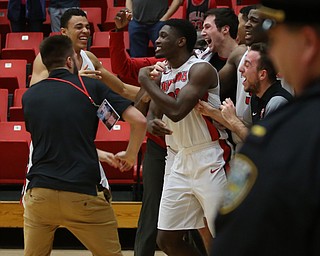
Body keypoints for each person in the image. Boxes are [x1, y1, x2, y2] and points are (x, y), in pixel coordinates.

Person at [211, 1, 320, 255]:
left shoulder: (282, 135)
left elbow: (236, 237)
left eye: (275, 42)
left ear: (307, 43)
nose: (275, 56)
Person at [22, 35, 147, 255]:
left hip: (39, 195)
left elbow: (56, 139)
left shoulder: (29, 96)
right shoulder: (89, 87)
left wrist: (100, 154)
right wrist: (129, 155)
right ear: (70, 61)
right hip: (81, 193)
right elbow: (139, 120)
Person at [139, 19, 229, 255]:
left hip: (209, 156)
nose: (157, 40)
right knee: (166, 239)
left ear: (181, 41)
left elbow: (178, 111)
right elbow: (151, 111)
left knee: (224, 235)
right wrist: (150, 122)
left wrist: (146, 81)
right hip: (178, 159)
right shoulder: (165, 72)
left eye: (164, 36)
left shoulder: (200, 69)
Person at [30, 8, 139, 102]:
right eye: (79, 27)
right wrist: (75, 80)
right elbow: (36, 95)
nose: (85, 31)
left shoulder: (90, 58)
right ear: (64, 32)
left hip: (86, 122)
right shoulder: (47, 57)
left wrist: (152, 93)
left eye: (87, 27)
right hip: (61, 121)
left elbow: (122, 89)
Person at [198, 42, 293, 142]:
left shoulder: (277, 102)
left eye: (247, 65)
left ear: (262, 75)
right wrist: (209, 111)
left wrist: (233, 120)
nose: (240, 69)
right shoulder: (257, 97)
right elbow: (244, 128)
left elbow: (264, 145)